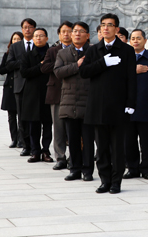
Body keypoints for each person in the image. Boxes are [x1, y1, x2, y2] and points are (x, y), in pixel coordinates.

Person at [79, 13, 137, 194]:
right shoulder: (93, 50)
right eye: (103, 25)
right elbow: (84, 72)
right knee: (102, 147)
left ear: (116, 29)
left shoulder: (127, 50)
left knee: (117, 148)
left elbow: (132, 79)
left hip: (119, 107)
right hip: (98, 107)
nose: (105, 28)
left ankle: (116, 182)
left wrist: (130, 103)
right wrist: (103, 62)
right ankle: (104, 180)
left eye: (110, 25)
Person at [54, 22, 95, 182]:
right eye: (74, 31)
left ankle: (88, 171)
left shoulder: (93, 52)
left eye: (81, 31)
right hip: (69, 102)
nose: (77, 34)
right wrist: (76, 65)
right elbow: (57, 72)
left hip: (88, 101)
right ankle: (75, 169)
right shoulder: (63, 54)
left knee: (88, 140)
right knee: (73, 139)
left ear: (88, 35)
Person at [124, 29, 148, 180]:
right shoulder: (125, 58)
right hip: (128, 106)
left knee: (147, 141)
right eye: (133, 38)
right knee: (129, 141)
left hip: (147, 106)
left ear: (145, 40)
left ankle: (147, 169)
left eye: (138, 38)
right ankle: (132, 168)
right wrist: (133, 71)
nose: (135, 41)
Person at [41, 21, 73, 170]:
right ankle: (60, 157)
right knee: (58, 128)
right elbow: (44, 67)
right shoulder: (53, 51)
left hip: (74, 93)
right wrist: (62, 65)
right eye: (63, 32)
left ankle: (74, 157)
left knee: (74, 128)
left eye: (69, 31)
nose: (66, 34)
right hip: (56, 93)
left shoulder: (79, 50)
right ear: (59, 34)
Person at [20, 28, 53, 163]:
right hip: (32, 95)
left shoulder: (52, 53)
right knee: (33, 125)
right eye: (36, 36)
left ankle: (45, 151)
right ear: (32, 38)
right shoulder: (27, 55)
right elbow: (24, 73)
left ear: (46, 38)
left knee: (47, 124)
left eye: (41, 36)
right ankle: (35, 151)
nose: (38, 38)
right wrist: (40, 66)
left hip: (48, 92)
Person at [7, 18, 36, 155]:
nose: (28, 29)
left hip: (36, 86)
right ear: (22, 29)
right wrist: (24, 63)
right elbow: (9, 64)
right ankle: (25, 145)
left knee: (36, 118)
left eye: (30, 27)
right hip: (20, 85)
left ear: (34, 29)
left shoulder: (39, 44)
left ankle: (36, 145)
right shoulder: (15, 47)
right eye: (25, 27)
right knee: (22, 117)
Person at [0, 31, 23, 148]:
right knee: (11, 116)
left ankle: (21, 139)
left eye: (18, 39)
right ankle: (14, 139)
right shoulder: (7, 54)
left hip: (21, 86)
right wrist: (13, 65)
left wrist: (13, 64)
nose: (16, 41)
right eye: (14, 39)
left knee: (22, 115)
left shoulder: (24, 54)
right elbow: (2, 69)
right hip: (10, 87)